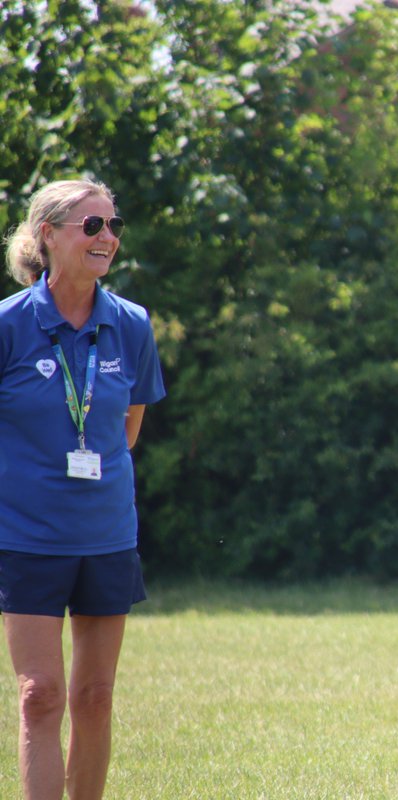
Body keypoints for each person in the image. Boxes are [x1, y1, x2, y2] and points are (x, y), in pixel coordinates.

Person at [0, 178, 166, 799]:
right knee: (40, 695)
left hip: (105, 537)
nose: (108, 237)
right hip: (26, 538)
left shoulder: (131, 325)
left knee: (94, 697)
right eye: (92, 226)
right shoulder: (9, 326)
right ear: (48, 235)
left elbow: (127, 429)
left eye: (113, 225)